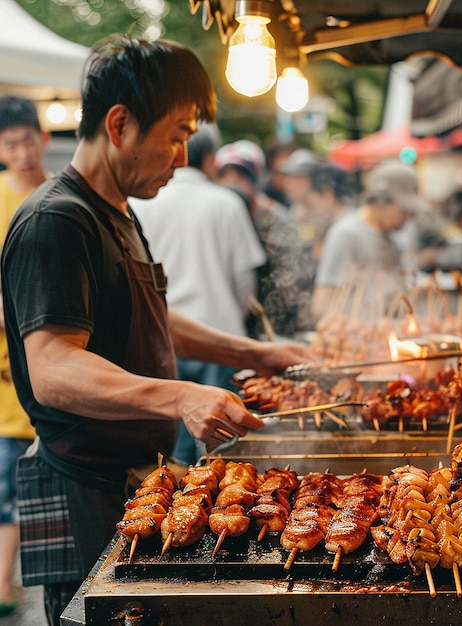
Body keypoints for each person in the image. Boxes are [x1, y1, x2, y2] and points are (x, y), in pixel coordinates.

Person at [0, 35, 312, 626]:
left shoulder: (115, 210)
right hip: (82, 489)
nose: (185, 156)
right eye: (176, 134)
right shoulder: (56, 222)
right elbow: (53, 369)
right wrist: (181, 395)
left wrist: (258, 352)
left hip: (128, 482)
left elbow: (148, 317)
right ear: (119, 125)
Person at [131, 126, 267, 464]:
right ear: (209, 159)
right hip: (220, 337)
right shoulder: (225, 202)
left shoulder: (140, 203)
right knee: (222, 446)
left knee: (172, 439)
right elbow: (244, 283)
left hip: (163, 335)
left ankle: (179, 498)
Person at [0, 96, 49, 618]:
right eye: (10, 142)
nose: (21, 150)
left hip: (57, 365)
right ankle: (5, 585)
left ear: (43, 138)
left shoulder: (59, 194)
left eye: (27, 139)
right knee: (10, 480)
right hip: (7, 374)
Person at [215, 140, 315, 337]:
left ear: (254, 180)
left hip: (271, 327)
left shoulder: (277, 220)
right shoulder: (216, 215)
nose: (232, 182)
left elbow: (292, 284)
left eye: (240, 176)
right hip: (226, 323)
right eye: (225, 176)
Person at [311, 160, 418, 322]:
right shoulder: (346, 234)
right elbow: (321, 303)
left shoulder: (391, 237)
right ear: (380, 202)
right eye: (404, 210)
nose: (409, 216)